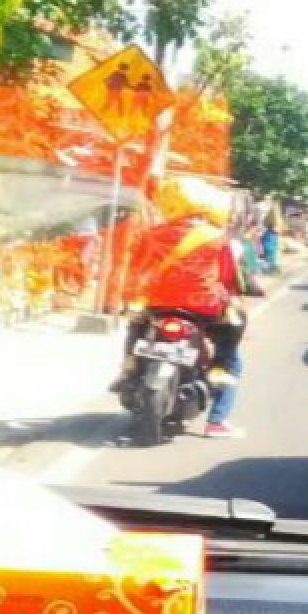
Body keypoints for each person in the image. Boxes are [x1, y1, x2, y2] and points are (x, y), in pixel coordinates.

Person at [120, 179, 250, 438]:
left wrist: (132, 297)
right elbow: (230, 279)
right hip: (203, 308)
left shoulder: (153, 233)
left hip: (157, 304)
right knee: (229, 358)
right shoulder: (216, 237)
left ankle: (130, 369)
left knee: (136, 329)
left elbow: (137, 269)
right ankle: (216, 422)